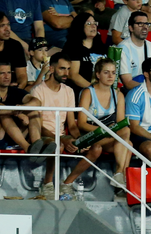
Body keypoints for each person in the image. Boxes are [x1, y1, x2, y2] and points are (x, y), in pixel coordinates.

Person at [28, 55, 102, 200]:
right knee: (58, 145)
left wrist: (79, 140)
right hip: (42, 136)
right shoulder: (38, 90)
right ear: (51, 69)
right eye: (62, 69)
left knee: (96, 148)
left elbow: (72, 124)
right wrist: (62, 139)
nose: (66, 73)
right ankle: (47, 184)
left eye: (68, 69)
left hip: (62, 136)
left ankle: (67, 183)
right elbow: (38, 126)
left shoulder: (69, 91)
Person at [76, 59, 132, 189]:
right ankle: (120, 178)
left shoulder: (118, 95)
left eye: (113, 72)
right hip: (91, 135)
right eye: (106, 72)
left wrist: (109, 131)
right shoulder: (88, 92)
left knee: (128, 140)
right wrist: (104, 130)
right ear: (98, 74)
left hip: (109, 136)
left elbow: (120, 124)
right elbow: (82, 123)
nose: (111, 76)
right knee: (128, 144)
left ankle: (119, 174)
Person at [118, 11, 151, 90]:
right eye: (140, 24)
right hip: (131, 91)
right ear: (131, 28)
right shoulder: (123, 48)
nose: (145, 27)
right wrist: (150, 89)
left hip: (150, 89)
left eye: (147, 24)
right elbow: (128, 83)